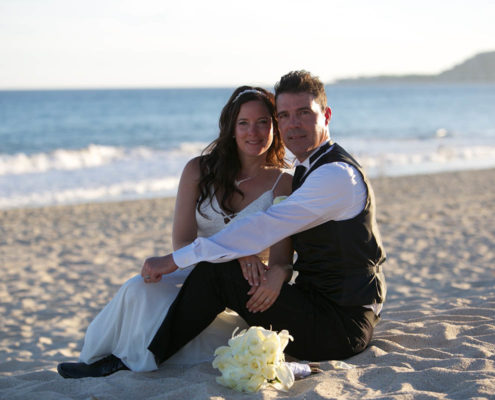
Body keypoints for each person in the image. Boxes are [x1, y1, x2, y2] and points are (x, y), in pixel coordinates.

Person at [140, 70, 387, 365]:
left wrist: (172, 260)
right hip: (315, 304)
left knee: (218, 274)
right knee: (221, 271)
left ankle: (146, 360)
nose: (293, 124)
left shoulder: (335, 176)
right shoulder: (309, 168)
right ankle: (148, 353)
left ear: (327, 115)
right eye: (284, 115)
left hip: (339, 325)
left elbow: (262, 226)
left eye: (304, 113)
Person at [57, 86, 293, 378]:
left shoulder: (283, 183)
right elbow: (182, 241)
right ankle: (103, 359)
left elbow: (283, 257)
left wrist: (250, 262)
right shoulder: (198, 170)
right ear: (231, 128)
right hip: (197, 265)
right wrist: (234, 254)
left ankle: (134, 359)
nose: (253, 132)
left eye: (263, 122)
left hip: (245, 283)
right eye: (243, 123)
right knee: (138, 288)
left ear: (275, 128)